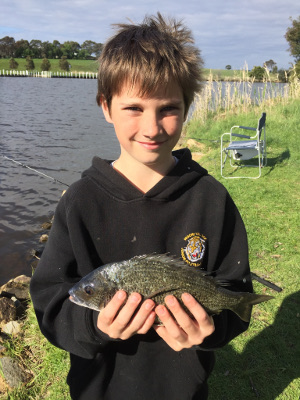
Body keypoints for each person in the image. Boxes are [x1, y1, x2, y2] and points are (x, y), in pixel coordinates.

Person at [30, 13, 253, 400]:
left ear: (187, 108)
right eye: (134, 108)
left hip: (184, 390)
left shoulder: (212, 200)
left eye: (168, 108)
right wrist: (94, 325)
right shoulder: (79, 202)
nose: (152, 127)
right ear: (105, 105)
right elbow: (51, 303)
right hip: (98, 389)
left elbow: (234, 291)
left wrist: (211, 330)